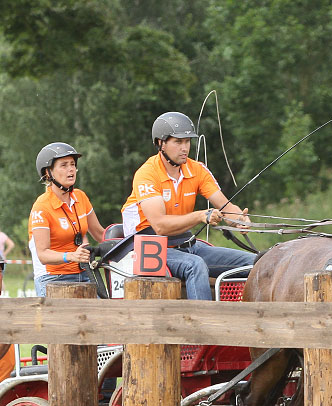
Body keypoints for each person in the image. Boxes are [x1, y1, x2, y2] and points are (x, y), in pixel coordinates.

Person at [120, 111, 254, 300]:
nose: (185, 148)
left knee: (254, 263)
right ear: (161, 143)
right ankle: (202, 324)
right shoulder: (147, 174)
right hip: (150, 248)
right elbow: (160, 225)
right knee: (195, 265)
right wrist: (200, 216)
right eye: (178, 142)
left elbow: (225, 206)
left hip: (187, 244)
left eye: (187, 142)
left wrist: (239, 219)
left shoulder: (197, 169)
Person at [28, 143, 106, 297]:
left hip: (84, 274)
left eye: (72, 164)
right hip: (52, 278)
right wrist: (70, 256)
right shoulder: (41, 206)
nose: (71, 169)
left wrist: (128, 242)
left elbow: (100, 233)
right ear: (48, 173)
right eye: (63, 165)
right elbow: (43, 255)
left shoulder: (80, 197)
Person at [0, 226, 14, 294]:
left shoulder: (2, 235)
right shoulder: (2, 235)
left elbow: (11, 244)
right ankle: (3, 295)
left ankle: (3, 295)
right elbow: (11, 244)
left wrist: (4, 254)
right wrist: (4, 254)